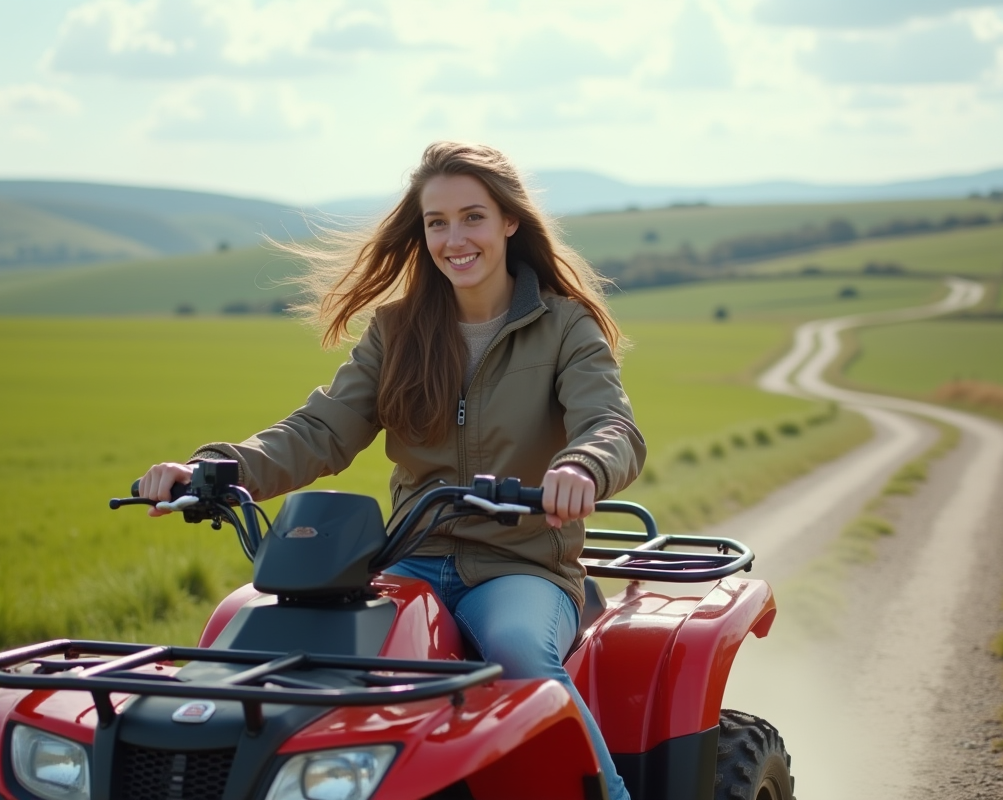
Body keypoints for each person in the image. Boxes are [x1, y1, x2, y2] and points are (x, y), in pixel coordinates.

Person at [138, 141, 646, 800]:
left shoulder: (564, 326)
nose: (454, 238)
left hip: (521, 564)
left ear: (509, 222)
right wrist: (216, 467)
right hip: (409, 561)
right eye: (437, 222)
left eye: (473, 217)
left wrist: (583, 464)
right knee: (269, 653)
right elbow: (320, 430)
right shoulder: (397, 330)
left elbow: (613, 427)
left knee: (520, 655)